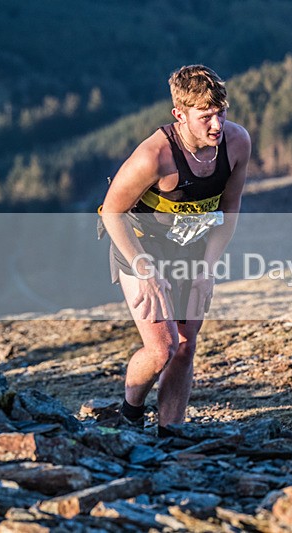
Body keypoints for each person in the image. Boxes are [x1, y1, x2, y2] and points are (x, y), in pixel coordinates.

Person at [100, 65, 250, 436]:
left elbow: (229, 210)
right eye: (205, 117)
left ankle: (172, 433)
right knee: (161, 348)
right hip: (139, 246)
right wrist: (144, 270)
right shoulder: (154, 156)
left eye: (221, 113)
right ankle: (131, 413)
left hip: (191, 248)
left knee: (186, 345)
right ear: (179, 115)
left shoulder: (237, 143)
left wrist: (207, 270)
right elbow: (112, 213)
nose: (216, 125)